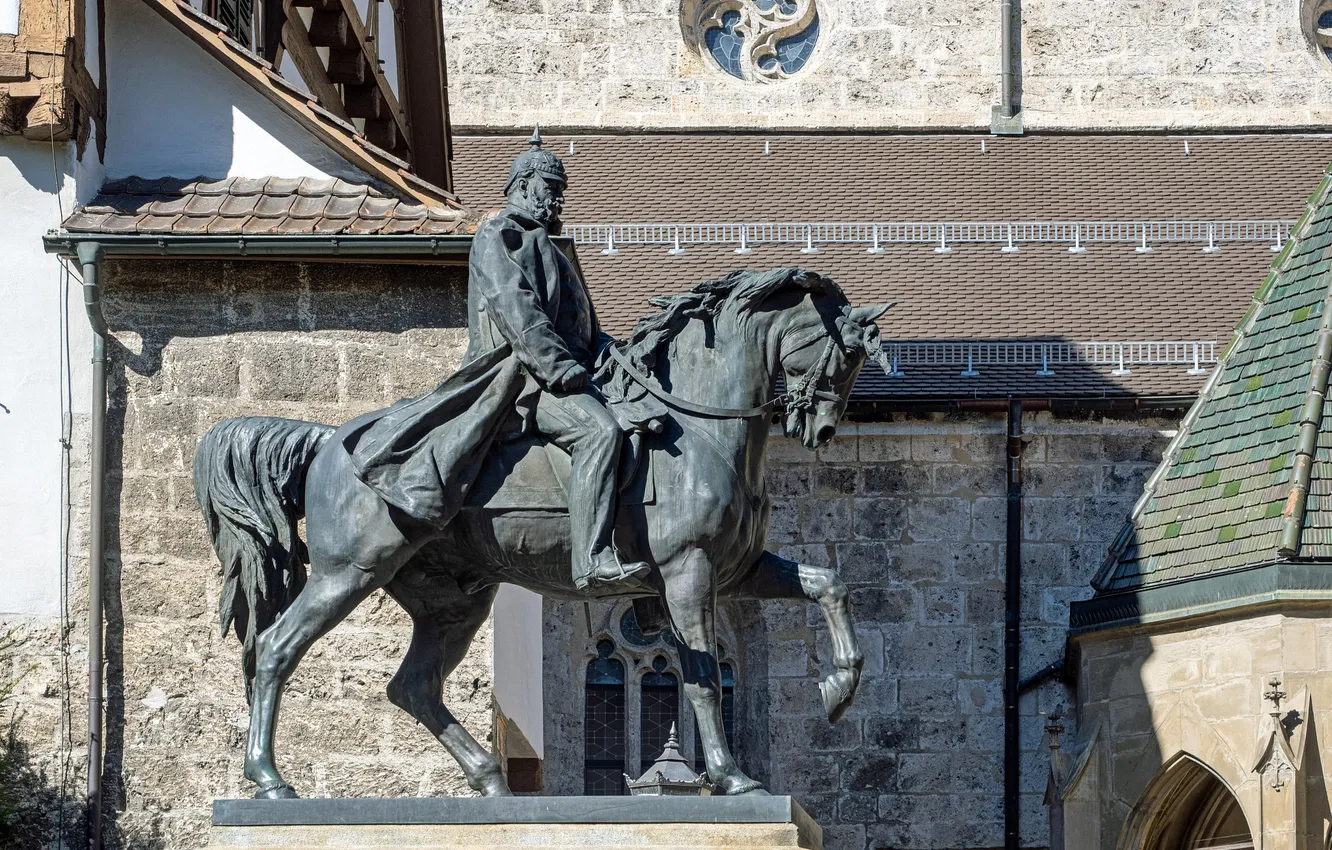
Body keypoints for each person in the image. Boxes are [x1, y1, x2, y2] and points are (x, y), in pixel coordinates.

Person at [465, 129, 651, 590]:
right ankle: (592, 560)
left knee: (645, 424)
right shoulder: (500, 235)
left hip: (564, 374)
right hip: (524, 379)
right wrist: (561, 370)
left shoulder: (551, 248)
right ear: (525, 184)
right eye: (552, 189)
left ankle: (649, 578)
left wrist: (620, 356)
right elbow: (519, 313)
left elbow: (580, 329)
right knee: (600, 432)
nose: (559, 200)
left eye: (560, 192)